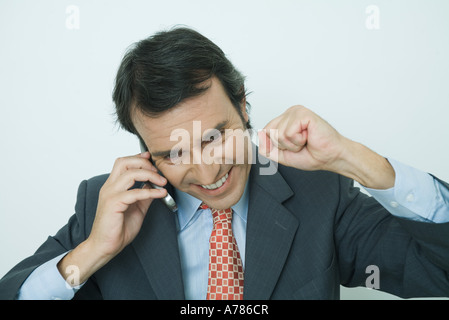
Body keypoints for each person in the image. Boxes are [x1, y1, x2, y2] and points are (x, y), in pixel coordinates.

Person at [1, 27, 448, 300]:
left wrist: (351, 158)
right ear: (145, 154)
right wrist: (93, 251)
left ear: (244, 108)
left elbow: (439, 270)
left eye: (215, 138)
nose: (208, 172)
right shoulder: (106, 208)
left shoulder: (319, 194)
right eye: (174, 153)